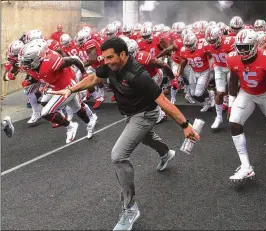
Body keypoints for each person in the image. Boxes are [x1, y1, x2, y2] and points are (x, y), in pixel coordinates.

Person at [48, 37, 200, 231]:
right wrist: (70, 90)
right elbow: (94, 78)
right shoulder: (109, 67)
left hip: (145, 113)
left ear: (123, 54)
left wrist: (185, 125)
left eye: (111, 57)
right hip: (131, 113)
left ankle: (129, 208)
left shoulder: (138, 75)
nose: (107, 61)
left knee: (118, 156)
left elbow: (163, 101)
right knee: (145, 137)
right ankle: (166, 153)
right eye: (104, 58)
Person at [226, 29, 266, 182]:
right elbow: (233, 81)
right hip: (246, 93)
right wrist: (230, 103)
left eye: (245, 47)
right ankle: (246, 166)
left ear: (254, 45)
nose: (241, 51)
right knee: (234, 123)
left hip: (265, 94)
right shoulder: (233, 58)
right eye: (239, 47)